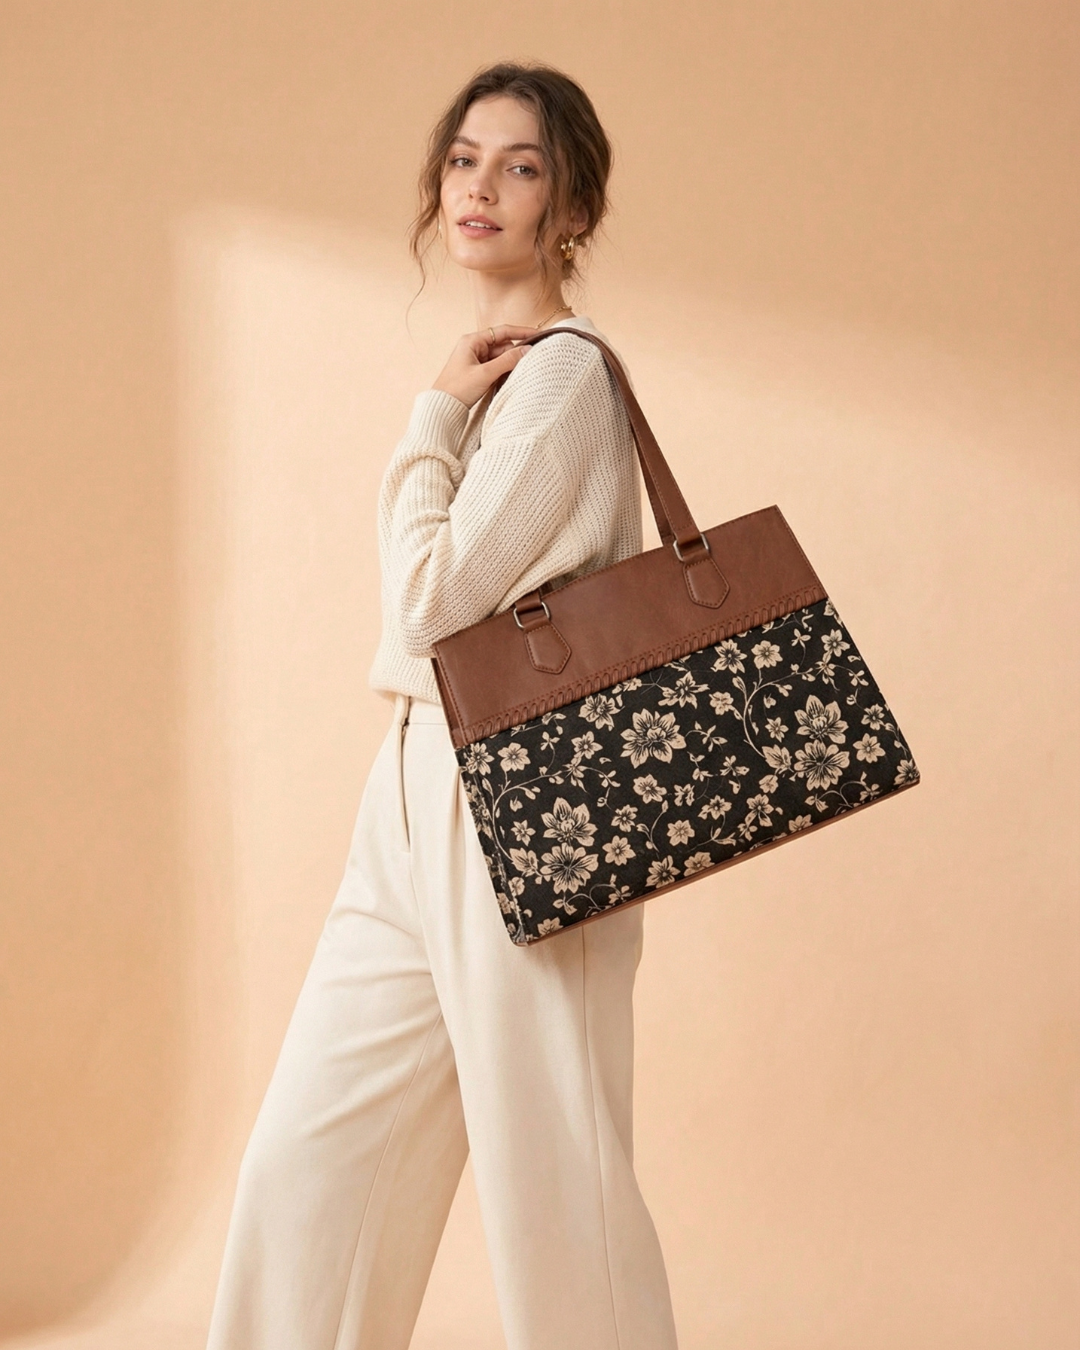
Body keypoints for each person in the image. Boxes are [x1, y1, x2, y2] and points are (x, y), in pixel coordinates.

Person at [205, 60, 679, 1350]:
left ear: (566, 206)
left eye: (519, 165)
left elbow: (427, 607)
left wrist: (425, 420)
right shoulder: (507, 385)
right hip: (416, 779)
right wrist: (450, 410)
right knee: (313, 1159)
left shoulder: (567, 380)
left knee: (555, 1178)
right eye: (466, 159)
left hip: (526, 789)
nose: (481, 188)